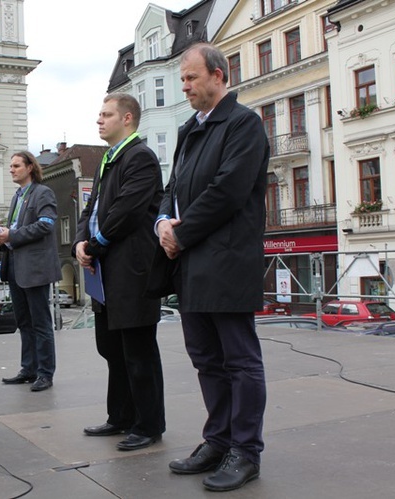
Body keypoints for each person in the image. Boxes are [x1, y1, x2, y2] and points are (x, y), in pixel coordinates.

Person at [156, 43, 269, 492]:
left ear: (219, 75)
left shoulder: (243, 125)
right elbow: (173, 188)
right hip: (191, 263)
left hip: (226, 259)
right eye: (182, 79)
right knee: (206, 358)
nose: (185, 87)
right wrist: (163, 221)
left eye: (192, 78)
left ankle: (246, 450)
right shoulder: (188, 130)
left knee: (239, 360)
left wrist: (179, 234)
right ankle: (218, 440)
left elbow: (227, 192)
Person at [73, 93, 165, 451]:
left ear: (127, 119)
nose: (99, 120)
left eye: (106, 114)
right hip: (105, 272)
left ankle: (148, 424)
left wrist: (93, 245)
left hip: (131, 271)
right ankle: (121, 416)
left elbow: (126, 211)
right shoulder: (107, 160)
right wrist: (79, 242)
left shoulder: (140, 157)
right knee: (112, 349)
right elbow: (89, 210)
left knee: (138, 351)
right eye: (99, 114)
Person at [0, 151, 62, 392]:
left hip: (34, 268)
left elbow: (46, 225)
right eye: (11, 166)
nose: (11, 169)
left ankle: (45, 373)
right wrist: (4, 237)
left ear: (30, 168)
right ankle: (29, 369)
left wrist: (11, 235)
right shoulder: (17, 196)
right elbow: (18, 227)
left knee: (40, 322)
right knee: (24, 321)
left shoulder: (42, 193)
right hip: (14, 264)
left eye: (16, 166)